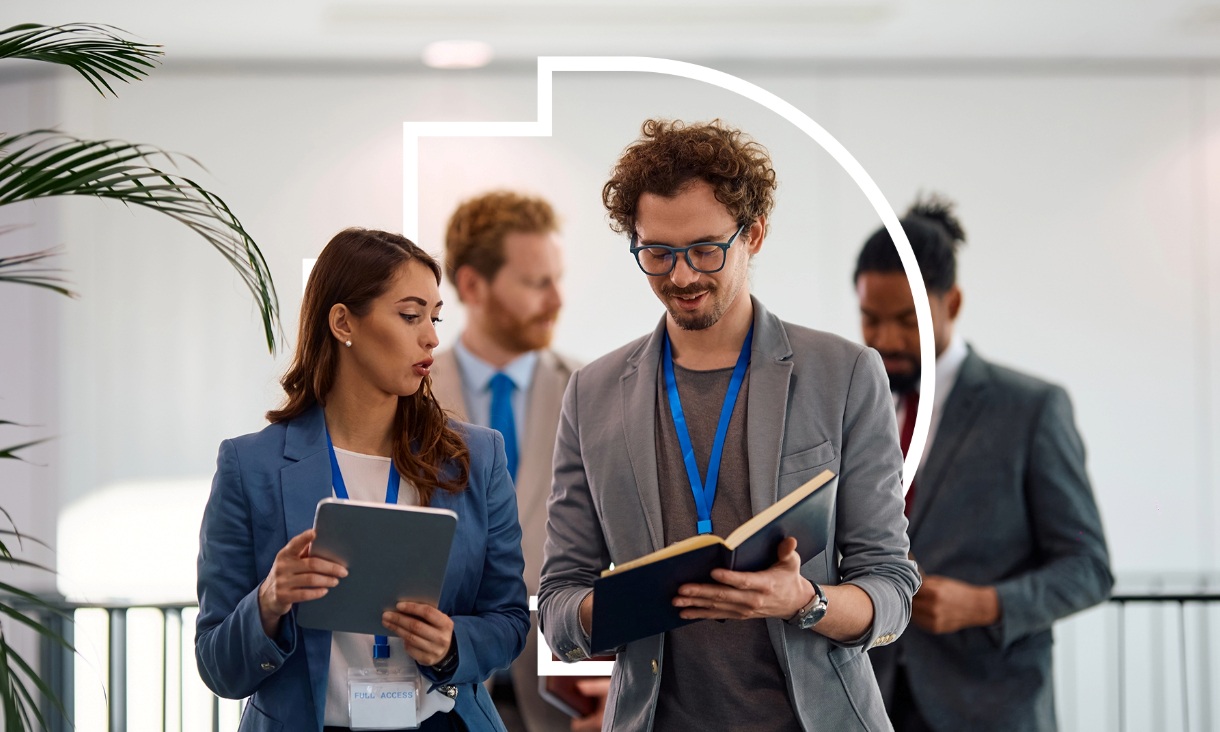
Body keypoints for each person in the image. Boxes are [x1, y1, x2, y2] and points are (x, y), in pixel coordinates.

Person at [537, 119, 921, 732]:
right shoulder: (592, 393)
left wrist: (805, 601)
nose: (682, 276)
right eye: (657, 253)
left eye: (705, 250)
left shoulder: (844, 373)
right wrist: (620, 607)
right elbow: (557, 602)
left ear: (755, 234)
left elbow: (892, 588)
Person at [196, 228, 530, 732]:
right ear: (342, 321)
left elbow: (509, 620)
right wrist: (269, 600)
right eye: (411, 315)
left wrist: (452, 645)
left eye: (435, 318)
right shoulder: (250, 466)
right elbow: (218, 667)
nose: (432, 337)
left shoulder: (477, 457)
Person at [855, 196, 1113, 732]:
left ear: (953, 304)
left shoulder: (1031, 409)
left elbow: (1089, 568)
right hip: (871, 700)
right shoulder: (851, 408)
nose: (886, 340)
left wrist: (987, 604)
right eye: (870, 319)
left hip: (989, 708)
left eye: (908, 321)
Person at [428, 191, 606, 732]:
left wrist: (615, 686)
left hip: (566, 691)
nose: (557, 299)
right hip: (440, 687)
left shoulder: (594, 391)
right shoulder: (408, 395)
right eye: (536, 283)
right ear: (472, 286)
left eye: (557, 278)